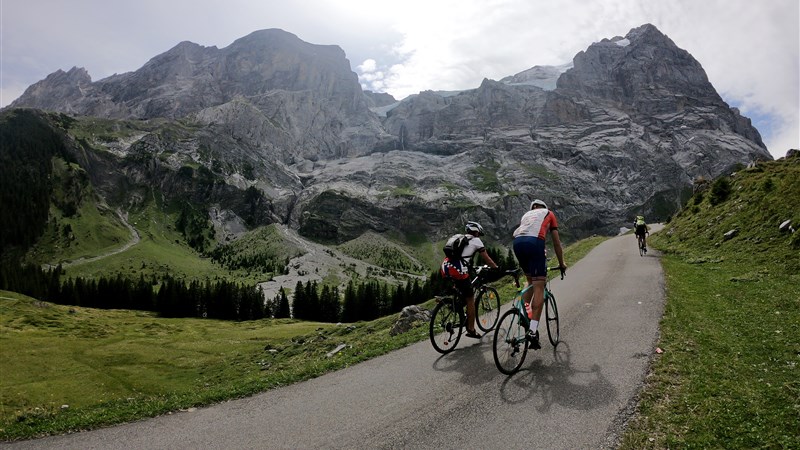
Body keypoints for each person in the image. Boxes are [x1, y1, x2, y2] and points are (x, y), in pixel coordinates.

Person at [512, 199, 566, 349]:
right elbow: (556, 242)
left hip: (517, 243)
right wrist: (562, 263)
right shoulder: (549, 213)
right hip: (534, 243)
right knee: (539, 286)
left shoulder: (526, 215)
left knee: (530, 281)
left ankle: (523, 311)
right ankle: (533, 331)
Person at [441, 221, 498, 338]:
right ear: (477, 231)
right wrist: (496, 267)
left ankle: (456, 307)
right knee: (470, 299)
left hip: (446, 267)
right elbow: (486, 258)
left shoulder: (461, 238)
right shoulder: (476, 240)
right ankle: (471, 329)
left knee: (462, 290)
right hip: (459, 270)